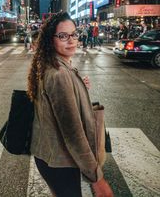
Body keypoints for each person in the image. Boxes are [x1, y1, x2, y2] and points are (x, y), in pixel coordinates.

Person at [27, 12, 113, 197]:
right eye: (63, 36)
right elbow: (73, 132)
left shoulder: (54, 65)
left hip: (50, 158)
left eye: (74, 34)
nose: (71, 40)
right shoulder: (59, 74)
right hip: (59, 162)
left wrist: (77, 84)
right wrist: (97, 179)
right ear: (51, 40)